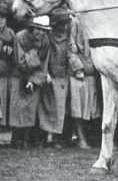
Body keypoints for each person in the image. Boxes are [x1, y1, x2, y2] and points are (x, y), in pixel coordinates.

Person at [12, 16, 51, 148]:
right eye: (38, 29)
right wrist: (33, 57)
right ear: (32, 28)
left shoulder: (46, 41)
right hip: (20, 76)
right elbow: (20, 61)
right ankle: (18, 139)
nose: (40, 33)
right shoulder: (20, 37)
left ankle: (32, 139)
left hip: (37, 78)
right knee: (20, 108)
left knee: (34, 108)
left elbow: (44, 63)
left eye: (43, 30)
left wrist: (35, 80)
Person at [41, 9, 73, 148]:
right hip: (51, 76)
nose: (64, 26)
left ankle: (60, 137)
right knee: (50, 107)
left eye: (65, 23)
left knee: (62, 109)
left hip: (64, 76)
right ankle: (49, 137)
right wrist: (46, 72)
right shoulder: (49, 37)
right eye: (61, 23)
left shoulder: (68, 37)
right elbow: (45, 57)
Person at [68, 16, 100, 149]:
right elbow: (70, 48)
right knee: (78, 109)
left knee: (93, 109)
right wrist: (77, 68)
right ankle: (81, 139)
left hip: (93, 71)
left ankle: (92, 139)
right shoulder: (76, 22)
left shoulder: (97, 20)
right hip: (78, 73)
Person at [0, 3, 18, 129]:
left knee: (4, 100)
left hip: (5, 72)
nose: (0, 20)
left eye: (3, 17)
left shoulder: (11, 33)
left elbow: (15, 54)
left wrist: (10, 50)